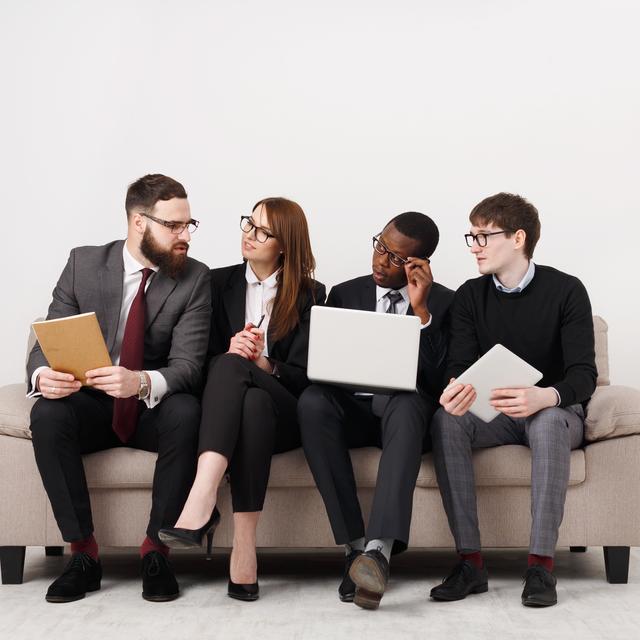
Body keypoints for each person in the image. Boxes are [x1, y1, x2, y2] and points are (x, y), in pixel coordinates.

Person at [27, 174, 212, 603]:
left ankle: (156, 550)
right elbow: (44, 342)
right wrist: (43, 376)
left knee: (186, 411)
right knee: (47, 413)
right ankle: (83, 554)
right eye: (174, 226)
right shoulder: (84, 264)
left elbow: (189, 366)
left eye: (189, 224)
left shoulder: (194, 278)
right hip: (91, 404)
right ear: (138, 223)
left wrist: (142, 381)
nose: (185, 236)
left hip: (149, 409)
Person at [429, 192, 597, 608]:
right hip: (494, 413)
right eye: (471, 237)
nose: (475, 247)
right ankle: (470, 563)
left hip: (553, 411)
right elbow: (460, 361)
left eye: (484, 236)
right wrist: (456, 387)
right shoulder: (470, 296)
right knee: (445, 419)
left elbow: (584, 374)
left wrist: (546, 396)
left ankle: (540, 567)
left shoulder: (567, 290)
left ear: (518, 238)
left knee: (546, 422)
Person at [158, 197, 325, 601]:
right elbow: (195, 363)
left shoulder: (311, 293)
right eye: (248, 224)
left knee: (238, 368)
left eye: (262, 231)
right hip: (241, 412)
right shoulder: (214, 284)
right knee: (244, 393)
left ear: (285, 244)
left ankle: (201, 497)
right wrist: (231, 352)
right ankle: (244, 549)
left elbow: (311, 379)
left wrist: (265, 365)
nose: (249, 235)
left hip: (286, 411)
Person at [298, 211, 454, 609]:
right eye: (380, 247)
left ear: (419, 264)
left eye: (396, 258)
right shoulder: (345, 294)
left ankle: (378, 554)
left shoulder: (445, 303)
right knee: (313, 401)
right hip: (350, 411)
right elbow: (322, 364)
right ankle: (354, 550)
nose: (381, 261)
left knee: (407, 400)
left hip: (401, 418)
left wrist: (421, 313)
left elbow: (440, 381)